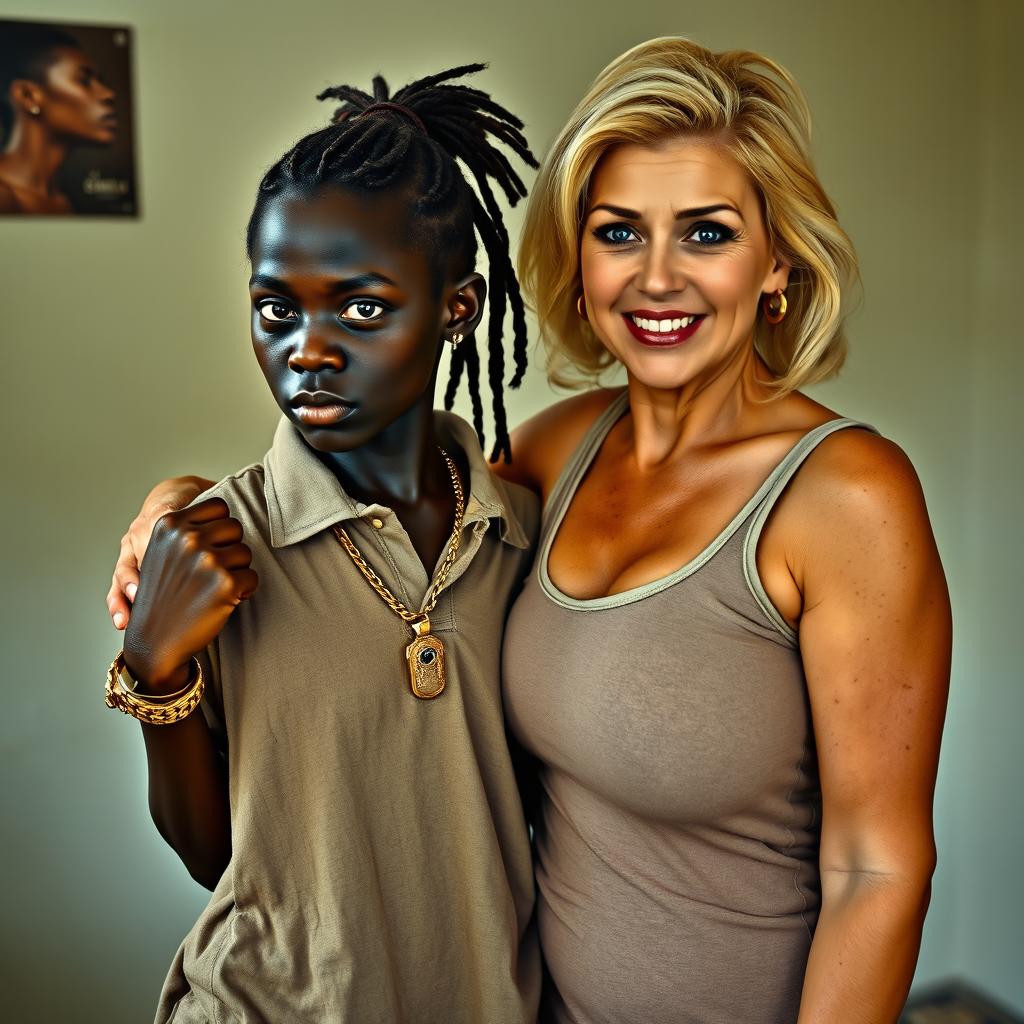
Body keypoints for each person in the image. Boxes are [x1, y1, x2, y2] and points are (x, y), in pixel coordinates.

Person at [109, 39, 952, 1024]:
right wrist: (181, 500)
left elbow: (877, 869)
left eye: (707, 234)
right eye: (620, 233)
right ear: (580, 258)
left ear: (777, 262)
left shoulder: (848, 495)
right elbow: (362, 512)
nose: (657, 278)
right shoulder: (553, 454)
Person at [103, 66, 542, 1022]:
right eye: (276, 310)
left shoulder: (527, 535)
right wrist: (152, 669)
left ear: (457, 308)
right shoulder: (215, 542)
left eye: (363, 308)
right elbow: (211, 856)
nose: (307, 348)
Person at [0, 23, 117, 214]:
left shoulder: (63, 203)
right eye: (84, 81)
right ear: (27, 95)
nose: (108, 94)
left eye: (101, 82)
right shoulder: (4, 197)